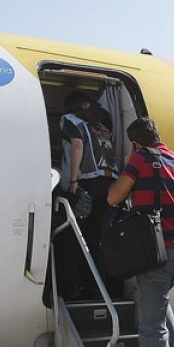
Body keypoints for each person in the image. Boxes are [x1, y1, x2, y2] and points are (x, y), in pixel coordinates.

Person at [107, 117, 174, 347]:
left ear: (135, 142)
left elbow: (114, 196)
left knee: (151, 329)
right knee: (156, 297)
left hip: (157, 252)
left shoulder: (141, 159)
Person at [57, 91, 116, 299]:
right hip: (109, 183)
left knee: (72, 236)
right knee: (95, 238)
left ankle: (71, 288)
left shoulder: (70, 120)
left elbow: (77, 145)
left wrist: (73, 180)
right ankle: (98, 289)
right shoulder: (103, 127)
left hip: (87, 183)